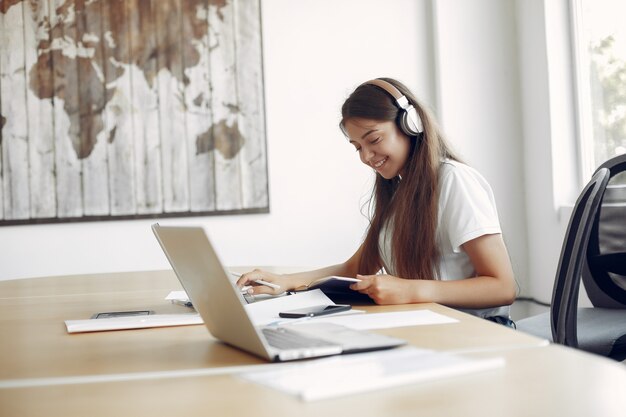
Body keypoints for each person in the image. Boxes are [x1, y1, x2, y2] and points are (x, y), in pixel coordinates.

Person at [237, 77, 517, 324]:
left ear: (411, 125)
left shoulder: (454, 181)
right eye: (358, 147)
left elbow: (503, 287)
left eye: (374, 140)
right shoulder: (398, 191)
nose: (366, 157)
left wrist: (411, 290)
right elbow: (355, 268)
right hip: (427, 326)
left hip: (474, 332)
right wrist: (285, 283)